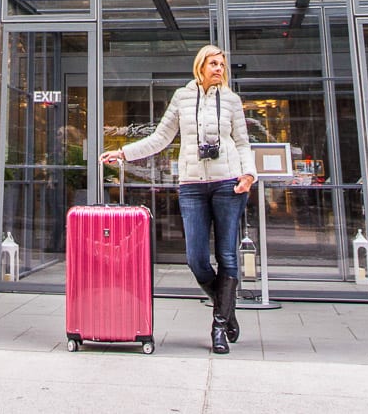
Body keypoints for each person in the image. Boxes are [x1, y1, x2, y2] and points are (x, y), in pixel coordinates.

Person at [100, 44, 256, 355]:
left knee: (226, 255)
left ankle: (219, 326)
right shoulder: (183, 98)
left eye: (222, 65)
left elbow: (242, 142)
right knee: (196, 258)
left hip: (228, 184)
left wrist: (248, 174)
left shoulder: (231, 101)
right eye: (213, 63)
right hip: (192, 186)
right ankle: (227, 308)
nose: (218, 69)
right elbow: (160, 137)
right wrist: (123, 153)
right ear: (200, 66)